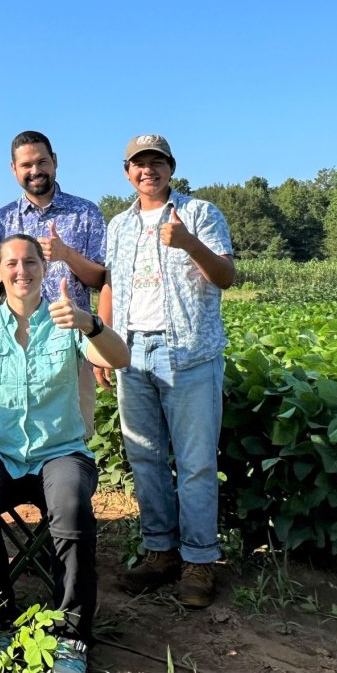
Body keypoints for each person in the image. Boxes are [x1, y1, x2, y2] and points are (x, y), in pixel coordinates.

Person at [0, 234, 129, 673]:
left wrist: (90, 323)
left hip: (61, 452)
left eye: (30, 262)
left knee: (70, 509)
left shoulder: (66, 319)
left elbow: (120, 358)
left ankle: (72, 634)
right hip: (2, 454)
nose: (21, 271)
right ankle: (2, 619)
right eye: (11, 263)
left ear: (44, 269)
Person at [100, 134, 234, 608]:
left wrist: (189, 243)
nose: (147, 171)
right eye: (139, 164)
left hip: (191, 354)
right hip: (133, 354)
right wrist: (105, 345)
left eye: (156, 162)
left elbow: (225, 276)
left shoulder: (200, 214)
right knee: (145, 457)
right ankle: (161, 552)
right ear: (127, 172)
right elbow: (112, 285)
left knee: (196, 462)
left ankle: (199, 560)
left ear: (171, 168)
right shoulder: (118, 225)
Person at [0, 131, 107, 436]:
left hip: (73, 344)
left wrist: (67, 254)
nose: (35, 170)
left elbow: (100, 279)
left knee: (77, 433)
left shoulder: (86, 212)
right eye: (26, 165)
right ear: (14, 170)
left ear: (54, 162)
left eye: (42, 161)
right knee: (16, 433)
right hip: (17, 346)